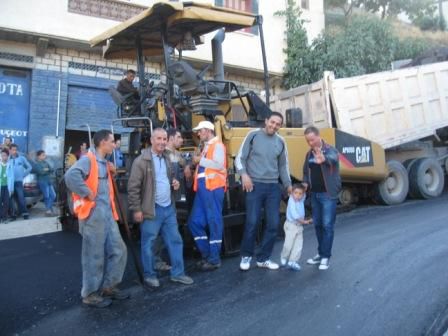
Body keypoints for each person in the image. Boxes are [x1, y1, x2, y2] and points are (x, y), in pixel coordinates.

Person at [65, 129, 128, 308]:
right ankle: (90, 294)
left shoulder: (104, 163)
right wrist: (87, 193)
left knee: (119, 250)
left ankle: (110, 287)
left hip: (107, 215)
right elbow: (70, 176)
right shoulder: (88, 160)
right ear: (102, 143)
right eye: (112, 141)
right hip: (93, 216)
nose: (114, 144)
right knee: (94, 256)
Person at [127, 128, 193, 288]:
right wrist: (136, 209)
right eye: (159, 139)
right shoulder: (141, 161)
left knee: (175, 241)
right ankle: (150, 276)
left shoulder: (167, 158)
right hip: (151, 208)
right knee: (148, 243)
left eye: (164, 139)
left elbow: (169, 179)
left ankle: (178, 274)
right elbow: (133, 187)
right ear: (151, 140)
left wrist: (175, 184)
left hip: (168, 208)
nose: (162, 142)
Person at [235, 112, 292, 271]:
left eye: (278, 124)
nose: (274, 126)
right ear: (266, 121)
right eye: (272, 122)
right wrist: (244, 175)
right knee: (252, 222)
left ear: (280, 126)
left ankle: (263, 258)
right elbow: (240, 158)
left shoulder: (281, 141)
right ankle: (246, 256)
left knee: (273, 224)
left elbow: (283, 166)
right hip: (254, 185)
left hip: (273, 187)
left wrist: (288, 185)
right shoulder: (252, 135)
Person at [188, 121, 227, 271]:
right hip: (204, 188)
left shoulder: (217, 145)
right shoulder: (207, 146)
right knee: (194, 222)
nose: (198, 134)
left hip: (212, 187)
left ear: (208, 130)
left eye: (200, 131)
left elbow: (219, 165)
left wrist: (200, 160)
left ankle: (214, 259)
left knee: (214, 221)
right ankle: (207, 255)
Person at [302, 126, 341, 271]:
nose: (310, 143)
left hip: (328, 195)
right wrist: (305, 183)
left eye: (312, 139)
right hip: (315, 195)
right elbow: (306, 171)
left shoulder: (331, 150)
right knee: (317, 225)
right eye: (308, 141)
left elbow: (333, 159)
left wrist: (323, 159)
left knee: (327, 225)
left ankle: (326, 257)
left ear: (318, 136)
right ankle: (320, 253)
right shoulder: (309, 154)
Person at [280, 183, 312, 271]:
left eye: (300, 194)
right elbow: (295, 216)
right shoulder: (291, 201)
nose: (298, 195)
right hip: (291, 225)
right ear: (291, 193)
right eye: (296, 193)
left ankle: (293, 261)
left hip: (299, 226)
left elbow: (304, 195)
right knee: (288, 244)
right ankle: (284, 256)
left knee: (298, 245)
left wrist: (304, 189)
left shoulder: (300, 199)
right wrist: (305, 221)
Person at [9, 144, 32, 220]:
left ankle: (25, 213)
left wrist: (23, 174)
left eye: (15, 149)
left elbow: (29, 167)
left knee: (21, 198)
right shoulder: (8, 159)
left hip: (19, 181)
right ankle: (13, 215)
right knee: (11, 199)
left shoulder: (22, 158)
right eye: (13, 150)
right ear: (10, 150)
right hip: (10, 183)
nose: (14, 151)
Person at [34, 150, 56, 215]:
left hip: (48, 181)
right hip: (42, 182)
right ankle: (49, 210)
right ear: (38, 156)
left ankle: (48, 209)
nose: (44, 156)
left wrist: (46, 170)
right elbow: (41, 172)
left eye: (44, 154)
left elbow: (51, 169)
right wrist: (47, 170)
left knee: (53, 195)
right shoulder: (37, 164)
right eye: (43, 155)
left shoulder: (46, 162)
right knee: (47, 196)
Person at [0, 149, 14, 224]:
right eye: (2, 155)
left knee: (6, 202)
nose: (3, 157)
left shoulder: (10, 164)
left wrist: (11, 188)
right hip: (0, 186)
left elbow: (12, 177)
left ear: (8, 156)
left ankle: (4, 218)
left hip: (7, 187)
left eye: (5, 155)